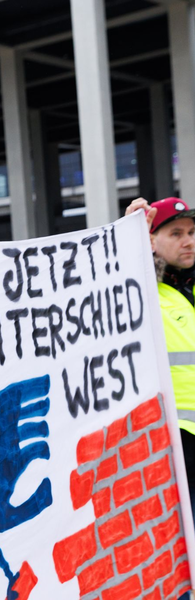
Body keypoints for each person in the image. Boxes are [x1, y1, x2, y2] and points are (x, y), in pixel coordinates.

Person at [126, 196, 195, 522]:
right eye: (176, 233)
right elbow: (115, 279)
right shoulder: (143, 290)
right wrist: (128, 237)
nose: (188, 242)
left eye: (192, 232)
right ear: (150, 240)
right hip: (177, 438)